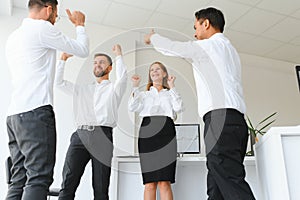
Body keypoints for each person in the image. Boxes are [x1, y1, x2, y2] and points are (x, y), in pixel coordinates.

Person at [144, 7, 256, 200]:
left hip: (220, 120)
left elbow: (174, 48)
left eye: (196, 27)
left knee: (229, 179)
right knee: (216, 184)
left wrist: (153, 37)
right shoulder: (230, 51)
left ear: (206, 24)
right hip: (235, 122)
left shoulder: (210, 46)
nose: (194, 33)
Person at [5, 0, 89, 199]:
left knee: (19, 178)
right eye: (56, 16)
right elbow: (82, 49)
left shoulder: (14, 36)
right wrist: (80, 25)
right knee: (38, 178)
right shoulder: (42, 27)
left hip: (14, 116)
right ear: (49, 9)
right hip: (35, 113)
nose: (54, 20)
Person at [55, 44, 127, 200]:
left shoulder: (114, 89)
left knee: (101, 188)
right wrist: (62, 60)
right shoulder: (82, 89)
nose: (97, 65)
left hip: (102, 137)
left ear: (109, 68)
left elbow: (123, 77)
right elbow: (58, 83)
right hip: (79, 136)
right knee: (68, 184)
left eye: (101, 62)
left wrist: (119, 55)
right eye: (95, 62)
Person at [128, 62, 183, 200]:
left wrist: (172, 87)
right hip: (147, 134)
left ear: (164, 73)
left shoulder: (170, 93)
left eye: (157, 69)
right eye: (152, 70)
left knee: (165, 182)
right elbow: (132, 107)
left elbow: (179, 107)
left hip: (167, 133)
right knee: (150, 183)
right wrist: (135, 87)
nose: (154, 71)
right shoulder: (144, 94)